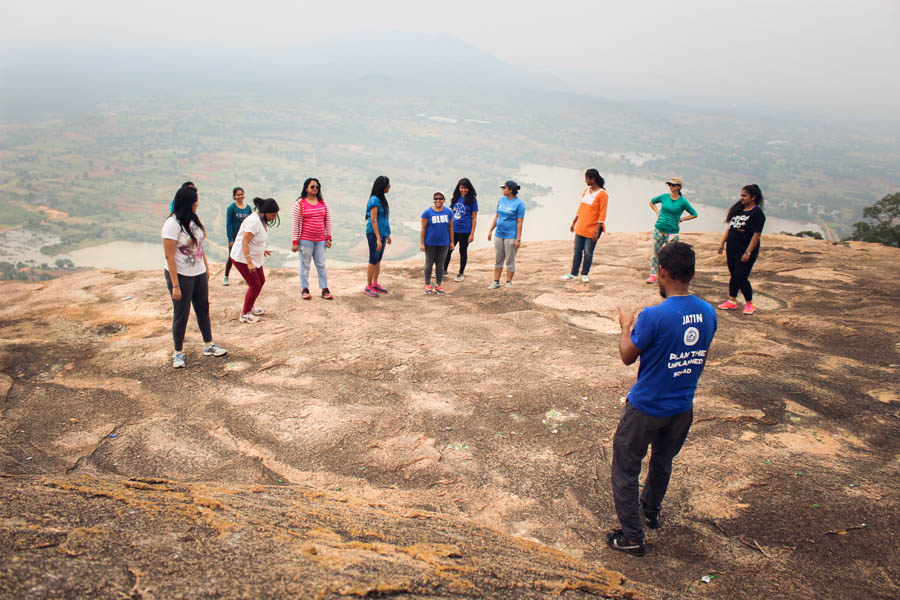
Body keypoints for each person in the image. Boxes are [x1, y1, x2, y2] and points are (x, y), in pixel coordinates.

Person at [608, 241, 717, 556]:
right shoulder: (708, 312)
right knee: (662, 461)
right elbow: (701, 357)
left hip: (646, 407)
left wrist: (625, 326)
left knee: (626, 468)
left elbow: (628, 356)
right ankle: (651, 512)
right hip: (682, 406)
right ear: (692, 273)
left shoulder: (653, 315)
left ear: (663, 272)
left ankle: (632, 536)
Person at [161, 184, 227, 368]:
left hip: (197, 273)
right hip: (181, 275)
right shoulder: (172, 224)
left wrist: (205, 267)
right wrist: (175, 284)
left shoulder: (193, 220)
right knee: (181, 313)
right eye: (195, 200)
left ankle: (209, 345)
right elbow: (169, 255)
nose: (197, 203)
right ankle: (178, 353)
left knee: (203, 309)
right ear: (187, 202)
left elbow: (199, 245)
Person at [717, 184, 766, 315]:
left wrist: (748, 252)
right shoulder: (738, 210)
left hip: (745, 250)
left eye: (744, 195)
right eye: (741, 195)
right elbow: (730, 228)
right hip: (732, 248)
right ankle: (732, 301)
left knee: (741, 277)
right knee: (734, 275)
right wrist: (722, 243)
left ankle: (749, 303)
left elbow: (756, 235)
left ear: (753, 197)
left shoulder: (757, 214)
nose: (742, 198)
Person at [230, 197, 279, 322]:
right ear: (265, 211)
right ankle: (245, 313)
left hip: (254, 257)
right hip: (243, 258)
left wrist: (262, 250)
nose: (274, 217)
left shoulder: (261, 220)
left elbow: (256, 239)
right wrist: (249, 263)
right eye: (273, 214)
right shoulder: (254, 221)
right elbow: (245, 242)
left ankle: (250, 307)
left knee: (261, 281)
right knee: (254, 285)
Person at [646, 176, 697, 284]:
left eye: (673, 185)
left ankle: (669, 275)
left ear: (678, 187)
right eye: (669, 184)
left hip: (673, 231)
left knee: (672, 255)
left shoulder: (683, 202)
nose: (670, 187)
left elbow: (694, 214)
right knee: (656, 252)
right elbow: (651, 202)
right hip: (659, 228)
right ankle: (653, 275)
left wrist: (682, 219)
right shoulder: (664, 197)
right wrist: (657, 211)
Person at [562, 168, 608, 283]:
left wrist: (597, 230)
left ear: (593, 179)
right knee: (577, 250)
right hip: (581, 225)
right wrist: (574, 222)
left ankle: (584, 274)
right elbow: (581, 208)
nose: (585, 181)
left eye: (587, 179)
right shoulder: (586, 191)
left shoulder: (602, 194)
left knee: (588, 252)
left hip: (593, 228)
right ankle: (573, 273)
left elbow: (602, 213)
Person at [291, 178, 333, 300]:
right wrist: (294, 242)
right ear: (306, 188)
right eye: (312, 186)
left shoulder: (323, 203)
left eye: (317, 187)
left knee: (321, 264)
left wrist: (329, 237)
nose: (315, 189)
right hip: (305, 240)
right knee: (305, 264)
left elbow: (328, 221)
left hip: (320, 240)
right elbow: (295, 223)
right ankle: (305, 289)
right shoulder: (299, 204)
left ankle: (324, 289)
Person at [487, 180, 525, 289]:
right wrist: (490, 230)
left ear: (511, 190)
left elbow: (520, 222)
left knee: (509, 259)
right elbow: (497, 216)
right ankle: (496, 281)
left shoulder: (519, 204)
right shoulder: (501, 200)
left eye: (505, 188)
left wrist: (518, 239)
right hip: (499, 234)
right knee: (498, 258)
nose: (503, 190)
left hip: (511, 235)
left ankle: (508, 282)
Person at [443, 178, 478, 282]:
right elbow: (451, 214)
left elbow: (474, 218)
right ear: (458, 188)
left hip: (465, 230)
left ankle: (461, 273)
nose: (463, 190)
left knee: (463, 251)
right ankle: (443, 270)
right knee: (448, 250)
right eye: (462, 187)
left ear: (469, 188)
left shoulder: (472, 200)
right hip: (454, 228)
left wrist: (472, 234)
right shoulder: (455, 199)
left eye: (466, 188)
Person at [420, 191, 454, 295]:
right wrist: (422, 243)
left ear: (444, 200)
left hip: (444, 243)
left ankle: (438, 285)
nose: (437, 200)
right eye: (435, 198)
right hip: (430, 243)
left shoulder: (448, 212)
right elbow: (423, 228)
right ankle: (427, 284)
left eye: (440, 198)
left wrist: (452, 242)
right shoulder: (427, 213)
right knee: (429, 263)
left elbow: (450, 227)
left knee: (440, 265)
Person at [364, 175, 392, 297]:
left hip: (383, 233)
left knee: (378, 259)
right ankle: (368, 286)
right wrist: (378, 238)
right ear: (382, 187)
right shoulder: (375, 200)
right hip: (374, 234)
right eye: (387, 186)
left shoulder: (382, 199)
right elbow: (374, 220)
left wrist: (388, 234)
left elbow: (384, 218)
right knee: (373, 258)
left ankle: (375, 283)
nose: (389, 188)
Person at [223, 186, 252, 286]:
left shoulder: (248, 208)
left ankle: (247, 278)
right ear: (234, 196)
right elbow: (228, 224)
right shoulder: (231, 208)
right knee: (232, 257)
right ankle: (226, 276)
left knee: (246, 256)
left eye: (241, 194)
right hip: (235, 236)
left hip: (245, 236)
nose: (240, 196)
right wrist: (230, 239)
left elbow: (251, 223)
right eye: (238, 195)